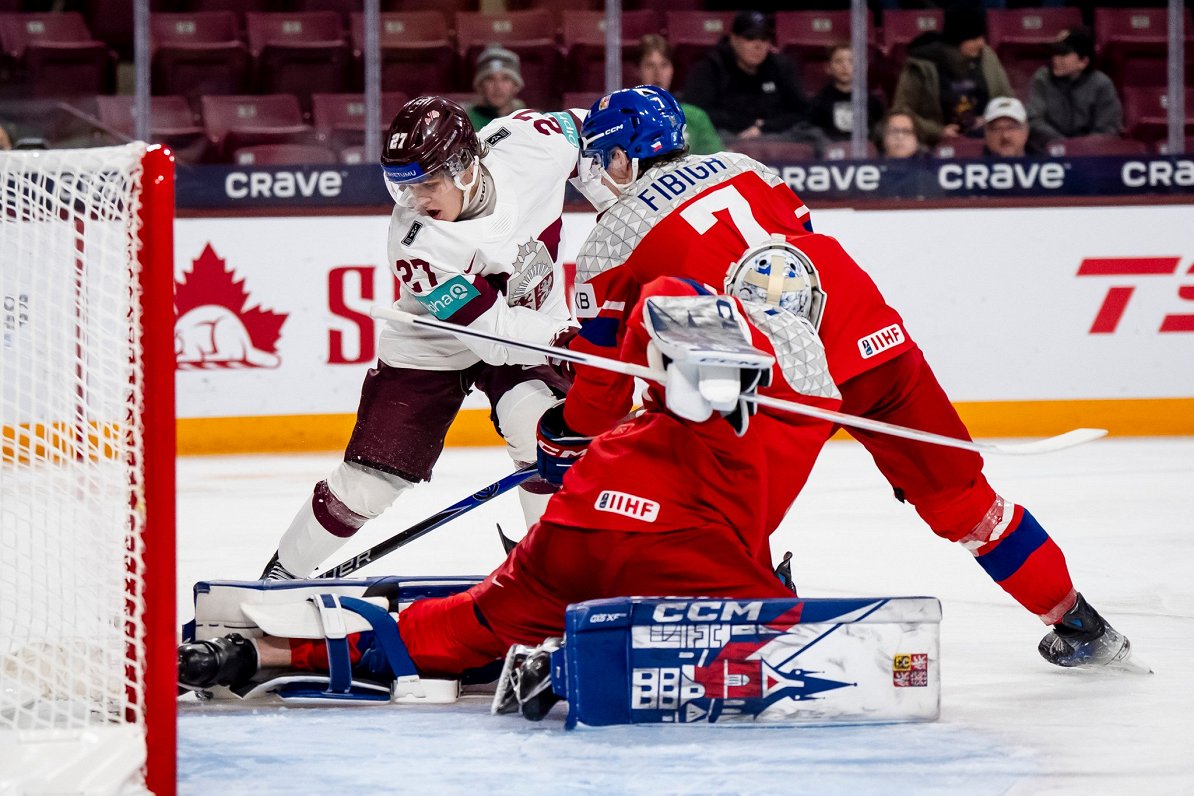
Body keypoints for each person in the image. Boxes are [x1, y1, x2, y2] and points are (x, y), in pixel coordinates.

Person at [558, 86, 1134, 671]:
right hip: (869, 337)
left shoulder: (608, 242)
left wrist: (565, 430)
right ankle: (1078, 622)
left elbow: (599, 391)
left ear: (626, 156)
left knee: (720, 521)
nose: (602, 173)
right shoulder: (746, 168)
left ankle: (773, 638)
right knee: (966, 502)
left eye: (605, 158)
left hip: (774, 383)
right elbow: (798, 250)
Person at [180, 269, 842, 697]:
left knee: (455, 628)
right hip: (678, 549)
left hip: (577, 525)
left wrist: (580, 421)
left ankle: (257, 651)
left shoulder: (718, 359)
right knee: (791, 640)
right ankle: (560, 669)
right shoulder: (814, 396)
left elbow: (659, 298)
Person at [259, 97, 580, 580]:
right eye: (403, 187)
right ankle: (281, 575)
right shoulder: (417, 242)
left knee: (545, 433)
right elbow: (492, 339)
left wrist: (617, 198)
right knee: (370, 481)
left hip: (526, 322)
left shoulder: (532, 143)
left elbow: (599, 137)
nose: (416, 200)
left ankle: (552, 575)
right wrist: (566, 337)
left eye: (427, 183)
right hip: (436, 341)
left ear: (467, 167)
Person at [681, 10, 825, 152]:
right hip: (727, 134)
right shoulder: (711, 67)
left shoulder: (781, 66)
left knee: (813, 136)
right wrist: (746, 123)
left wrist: (763, 127)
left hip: (775, 133)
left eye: (764, 39)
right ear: (733, 39)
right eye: (750, 38)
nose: (758, 45)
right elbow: (696, 115)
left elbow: (802, 110)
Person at [891, 1, 1013, 146]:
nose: (981, 43)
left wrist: (989, 118)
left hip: (985, 140)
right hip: (932, 146)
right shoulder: (921, 65)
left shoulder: (987, 57)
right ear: (957, 40)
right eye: (974, 38)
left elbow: (1007, 99)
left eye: (982, 37)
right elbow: (901, 112)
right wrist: (938, 131)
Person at [1026, 26, 1123, 150]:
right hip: (1049, 152)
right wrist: (1065, 146)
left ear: (1083, 62)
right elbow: (1034, 121)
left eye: (1063, 54)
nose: (1056, 59)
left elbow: (1109, 129)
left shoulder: (1102, 84)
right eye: (1055, 53)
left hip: (1091, 155)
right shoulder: (1042, 78)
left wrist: (1081, 148)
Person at [636, 33, 722, 155]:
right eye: (650, 65)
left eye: (664, 65)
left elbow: (717, 162)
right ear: (639, 70)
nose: (658, 73)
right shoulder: (625, 117)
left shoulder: (696, 117)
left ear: (672, 69)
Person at [809, 42, 886, 144]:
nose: (845, 66)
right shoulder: (819, 102)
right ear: (828, 68)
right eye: (838, 61)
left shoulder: (873, 102)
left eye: (852, 61)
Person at [467, 45, 527, 130]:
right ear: (480, 86)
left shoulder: (532, 120)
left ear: (516, 86)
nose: (498, 86)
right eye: (490, 79)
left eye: (505, 79)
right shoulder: (467, 124)